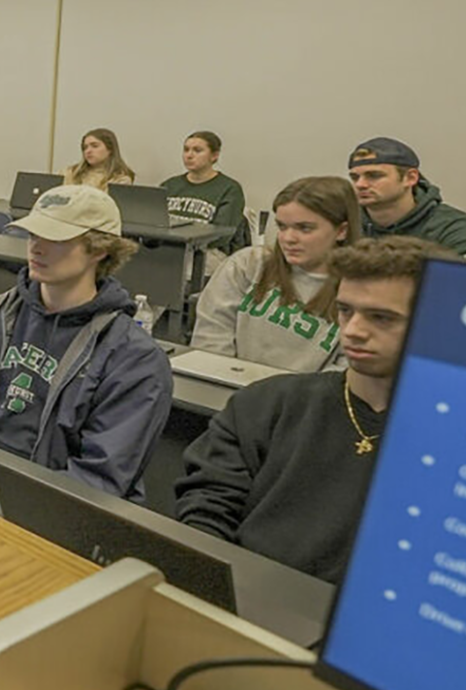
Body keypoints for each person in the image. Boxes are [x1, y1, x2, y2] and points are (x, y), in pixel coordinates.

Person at [176, 237, 457, 581]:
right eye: (345, 311)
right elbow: (206, 511)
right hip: (245, 605)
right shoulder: (266, 404)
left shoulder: (449, 440)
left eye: (381, 318)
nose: (352, 331)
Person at [0, 184, 172, 503]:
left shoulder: (133, 358)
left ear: (99, 249)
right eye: (34, 235)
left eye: (56, 239)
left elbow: (98, 481)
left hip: (46, 508)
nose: (36, 248)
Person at [190, 176, 359, 372]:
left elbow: (346, 372)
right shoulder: (248, 265)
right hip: (228, 387)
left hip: (302, 400)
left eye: (304, 228)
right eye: (282, 227)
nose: (288, 238)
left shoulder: (361, 292)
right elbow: (211, 336)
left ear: (342, 231)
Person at [347, 137, 466, 254]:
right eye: (354, 178)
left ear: (410, 178)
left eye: (374, 175)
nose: (360, 184)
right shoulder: (343, 224)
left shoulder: (451, 227)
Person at [161, 130, 247, 254]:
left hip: (207, 251)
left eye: (197, 150)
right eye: (186, 150)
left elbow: (222, 235)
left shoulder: (230, 189)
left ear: (214, 156)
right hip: (168, 247)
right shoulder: (170, 185)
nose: (189, 155)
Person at [61, 128, 134, 190]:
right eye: (85, 147)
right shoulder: (70, 173)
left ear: (110, 149)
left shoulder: (120, 180)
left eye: (95, 146)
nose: (88, 151)